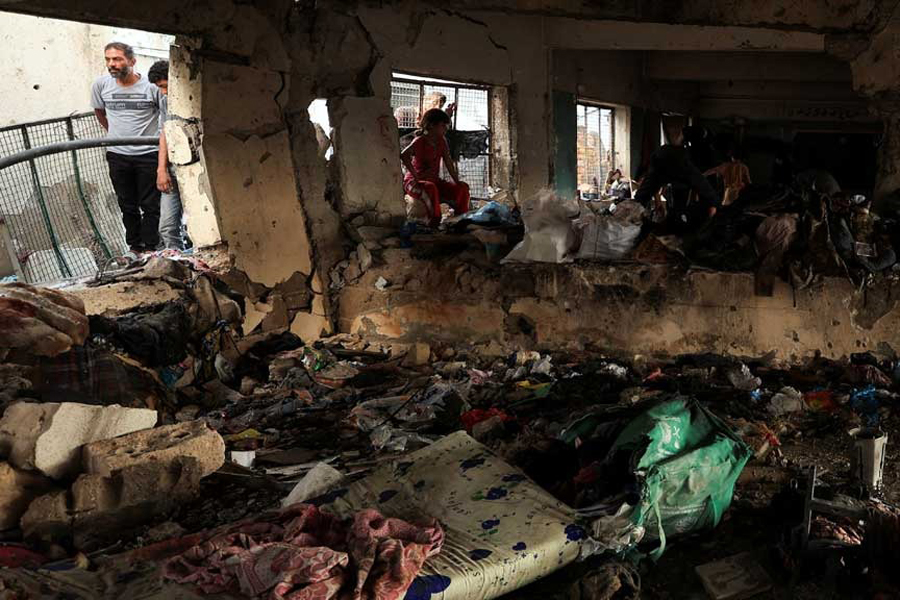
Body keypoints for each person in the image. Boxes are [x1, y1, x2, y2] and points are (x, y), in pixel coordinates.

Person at [91, 41, 163, 254]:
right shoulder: (101, 85)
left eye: (117, 59)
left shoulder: (151, 87)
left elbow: (165, 116)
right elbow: (99, 112)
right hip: (117, 155)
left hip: (148, 154)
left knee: (150, 205)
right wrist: (115, 135)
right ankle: (135, 247)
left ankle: (151, 247)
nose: (111, 64)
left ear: (132, 61)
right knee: (126, 204)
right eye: (108, 59)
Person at [634, 128, 720, 227]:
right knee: (681, 210)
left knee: (675, 209)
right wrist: (713, 203)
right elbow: (702, 184)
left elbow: (652, 181)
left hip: (675, 182)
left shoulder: (666, 152)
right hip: (681, 184)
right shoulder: (690, 156)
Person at [400, 109, 469, 227]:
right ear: (432, 125)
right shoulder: (420, 140)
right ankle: (434, 222)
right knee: (430, 187)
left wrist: (457, 181)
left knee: (462, 188)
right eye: (443, 126)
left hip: (433, 181)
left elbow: (448, 161)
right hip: (413, 182)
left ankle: (461, 220)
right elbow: (404, 155)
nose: (446, 129)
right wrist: (415, 176)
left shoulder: (442, 141)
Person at [147, 60, 184, 251]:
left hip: (196, 169)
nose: (163, 92)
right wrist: (161, 169)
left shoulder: (193, 98)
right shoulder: (164, 102)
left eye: (164, 86)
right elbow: (165, 133)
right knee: (167, 227)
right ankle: (180, 262)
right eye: (159, 87)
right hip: (173, 167)